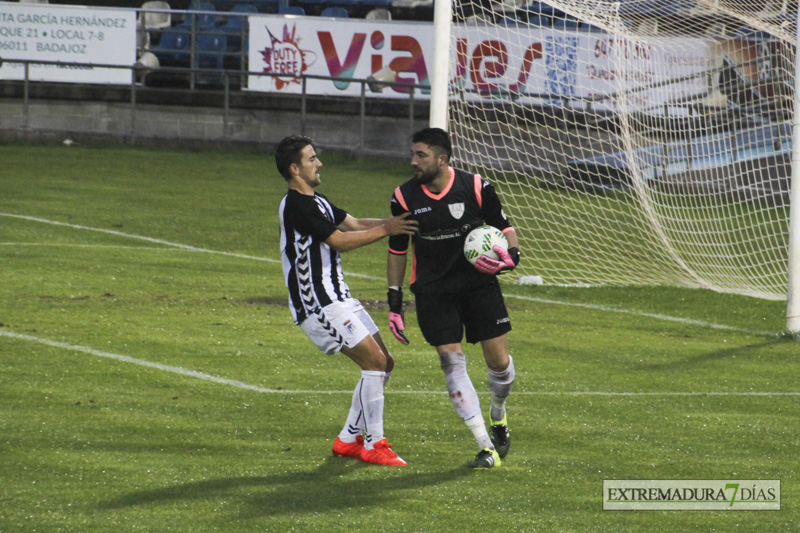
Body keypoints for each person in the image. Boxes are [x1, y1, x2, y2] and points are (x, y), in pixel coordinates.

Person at [276, 135, 418, 466]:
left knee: (384, 362)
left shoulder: (318, 201)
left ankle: (348, 439)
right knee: (375, 362)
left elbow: (353, 224)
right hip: (318, 304)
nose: (319, 163)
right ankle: (374, 443)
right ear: (294, 168)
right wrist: (387, 230)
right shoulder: (297, 205)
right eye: (312, 159)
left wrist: (400, 225)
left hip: (339, 298)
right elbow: (340, 241)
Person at [386, 127, 520, 469]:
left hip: (479, 287)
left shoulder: (476, 186)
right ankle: (486, 446)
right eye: (413, 154)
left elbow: (504, 228)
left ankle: (498, 414)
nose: (413, 161)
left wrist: (513, 254)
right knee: (451, 363)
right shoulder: (404, 197)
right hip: (433, 292)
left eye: (421, 155)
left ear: (442, 159)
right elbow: (397, 249)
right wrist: (394, 300)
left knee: (499, 365)